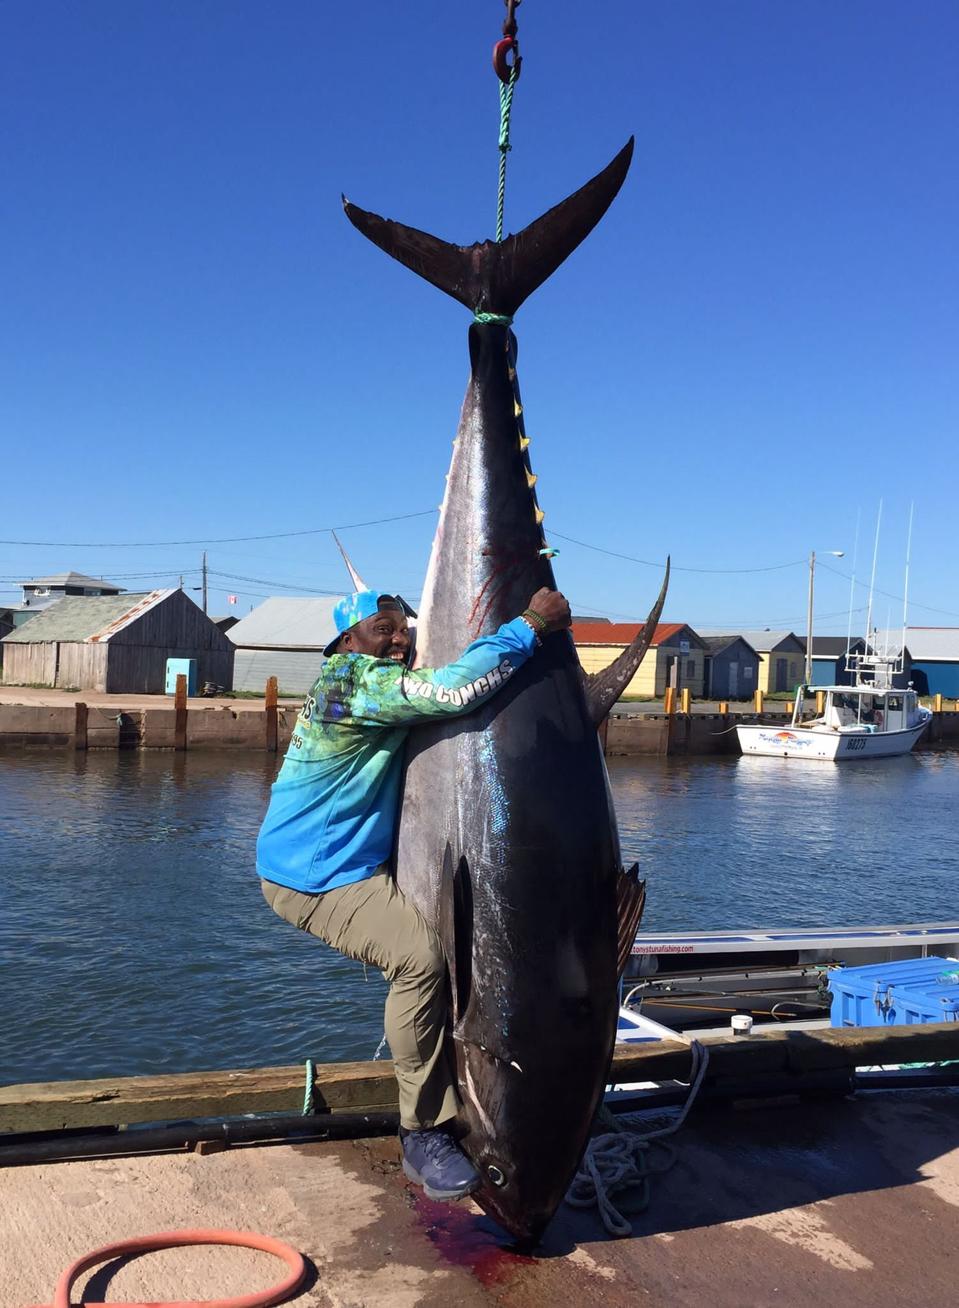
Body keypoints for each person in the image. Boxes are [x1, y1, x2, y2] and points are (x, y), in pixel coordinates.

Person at [256, 584, 571, 1201]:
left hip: (353, 865)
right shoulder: (354, 684)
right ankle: (421, 1132)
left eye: (402, 626)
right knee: (419, 960)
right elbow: (454, 689)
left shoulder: (364, 679)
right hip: (314, 877)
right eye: (382, 628)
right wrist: (531, 623)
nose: (398, 637)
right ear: (348, 641)